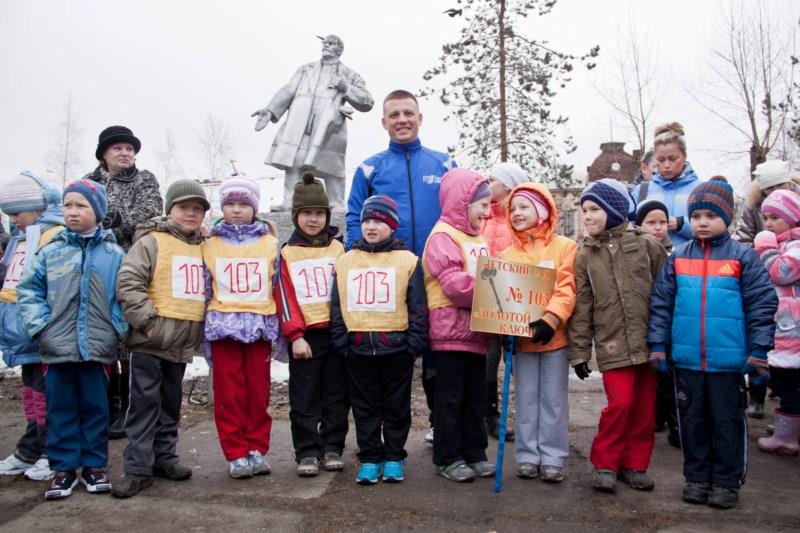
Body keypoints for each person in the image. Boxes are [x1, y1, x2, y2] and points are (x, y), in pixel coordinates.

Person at [648, 177, 778, 509]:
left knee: (726, 422)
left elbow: (762, 304)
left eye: (710, 215)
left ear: (727, 217)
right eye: (696, 217)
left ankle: (726, 481)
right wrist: (659, 346)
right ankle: (696, 477)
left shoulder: (742, 258)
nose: (702, 223)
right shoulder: (678, 257)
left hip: (728, 363)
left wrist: (759, 350)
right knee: (692, 422)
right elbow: (661, 304)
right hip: (688, 361)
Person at [346, 89, 456, 445]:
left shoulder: (444, 165)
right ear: (383, 122)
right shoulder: (369, 168)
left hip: (439, 278)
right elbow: (353, 218)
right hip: (386, 283)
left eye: (408, 113)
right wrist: (359, 261)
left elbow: (460, 212)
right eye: (394, 115)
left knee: (438, 357)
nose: (402, 120)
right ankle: (383, 440)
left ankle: (443, 426)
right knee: (391, 359)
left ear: (420, 118)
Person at [17, 180, 128, 500]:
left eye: (82, 206)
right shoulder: (50, 252)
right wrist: (41, 328)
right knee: (60, 408)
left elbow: (123, 297)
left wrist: (115, 328)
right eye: (68, 205)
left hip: (96, 347)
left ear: (98, 211)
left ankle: (95, 465)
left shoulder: (113, 254)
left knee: (96, 407)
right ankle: (63, 467)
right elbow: (29, 291)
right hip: (56, 347)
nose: (73, 212)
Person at [569, 178, 667, 494]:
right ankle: (606, 463)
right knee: (620, 404)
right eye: (584, 210)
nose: (587, 216)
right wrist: (580, 352)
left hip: (647, 341)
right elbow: (582, 306)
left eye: (594, 209)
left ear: (613, 210)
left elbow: (666, 294)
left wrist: (664, 339)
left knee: (643, 410)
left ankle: (635, 465)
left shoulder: (646, 245)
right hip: (612, 344)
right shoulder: (585, 254)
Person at [112, 180, 209, 498]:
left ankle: (165, 458)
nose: (191, 214)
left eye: (197, 209)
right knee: (144, 405)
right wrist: (147, 323)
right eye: (184, 208)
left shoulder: (202, 246)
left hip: (181, 346)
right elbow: (128, 282)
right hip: (150, 342)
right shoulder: (151, 242)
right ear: (170, 210)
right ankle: (138, 468)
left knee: (170, 403)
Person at [331, 195, 428, 485]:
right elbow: (337, 303)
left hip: (396, 349)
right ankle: (370, 457)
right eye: (367, 221)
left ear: (392, 226)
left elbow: (418, 305)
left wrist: (414, 343)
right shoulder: (346, 261)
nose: (372, 227)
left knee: (396, 407)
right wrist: (341, 340)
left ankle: (395, 456)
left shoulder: (408, 261)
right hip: (358, 348)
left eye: (379, 221)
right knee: (364, 406)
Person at [84, 124, 164, 439]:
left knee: (130, 339)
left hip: (133, 266)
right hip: (94, 269)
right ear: (104, 153)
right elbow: (79, 218)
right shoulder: (88, 183)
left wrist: (111, 226)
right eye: (118, 148)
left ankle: (129, 408)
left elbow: (148, 215)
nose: (125, 153)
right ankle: (106, 404)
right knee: (102, 338)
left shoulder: (145, 180)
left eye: (129, 149)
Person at [499, 183, 577, 482]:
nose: (517, 213)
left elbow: (566, 288)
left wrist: (550, 319)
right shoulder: (506, 254)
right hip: (521, 342)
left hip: (553, 338)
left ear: (541, 211)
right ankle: (528, 455)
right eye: (513, 208)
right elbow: (501, 296)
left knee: (553, 400)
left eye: (523, 207)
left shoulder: (564, 247)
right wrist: (503, 327)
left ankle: (553, 456)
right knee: (526, 399)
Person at [202, 176, 279, 479]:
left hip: (259, 328)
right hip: (223, 329)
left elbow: (277, 287)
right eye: (230, 204)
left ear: (254, 208)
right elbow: (205, 289)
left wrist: (280, 331)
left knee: (258, 393)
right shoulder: (211, 245)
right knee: (229, 394)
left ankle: (257, 448)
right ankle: (235, 452)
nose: (236, 210)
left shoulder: (270, 243)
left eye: (243, 205)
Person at [423, 169, 494, 482]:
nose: (487, 211)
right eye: (482, 205)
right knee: (450, 399)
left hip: (477, 332)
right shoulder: (442, 237)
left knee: (475, 397)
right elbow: (453, 286)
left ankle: (474, 452)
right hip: (449, 334)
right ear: (463, 203)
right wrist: (497, 291)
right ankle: (448, 457)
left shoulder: (477, 239)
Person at [276, 173, 349, 477]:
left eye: (319, 213)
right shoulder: (287, 254)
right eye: (306, 213)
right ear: (296, 216)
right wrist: (294, 335)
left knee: (336, 394)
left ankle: (332, 446)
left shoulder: (340, 250)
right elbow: (285, 296)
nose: (313, 219)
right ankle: (306, 450)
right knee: (304, 397)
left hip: (336, 336)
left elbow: (348, 291)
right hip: (306, 338)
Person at [252, 34, 374, 210]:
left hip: (329, 125)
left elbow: (367, 101)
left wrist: (346, 87)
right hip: (300, 122)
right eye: (325, 43)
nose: (326, 46)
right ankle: (290, 201)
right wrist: (270, 109)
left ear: (339, 49)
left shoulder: (349, 74)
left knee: (331, 166)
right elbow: (288, 90)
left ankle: (336, 202)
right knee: (293, 161)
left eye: (331, 44)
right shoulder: (305, 69)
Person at [0, 171, 64, 481]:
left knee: (48, 395)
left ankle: (52, 451)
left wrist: (44, 326)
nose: (13, 220)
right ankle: (31, 447)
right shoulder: (19, 239)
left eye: (17, 213)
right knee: (30, 394)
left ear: (38, 208)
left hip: (42, 333)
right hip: (21, 334)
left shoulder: (53, 237)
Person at [734, 160, 799, 417]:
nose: (772, 193)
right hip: (761, 275)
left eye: (778, 186)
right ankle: (757, 396)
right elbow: (743, 237)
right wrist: (759, 251)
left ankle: (787, 412)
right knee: (761, 338)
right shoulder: (753, 208)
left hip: (787, 285)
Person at [480, 162, 529, 440]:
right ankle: (490, 415)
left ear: (508, 185)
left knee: (518, 357)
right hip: (487, 292)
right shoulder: (483, 215)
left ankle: (525, 415)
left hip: (514, 293)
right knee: (488, 358)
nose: (486, 184)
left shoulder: (520, 217)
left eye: (492, 179)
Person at [753, 189, 800, 456]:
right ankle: (787, 427)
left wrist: (766, 247)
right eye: (766, 217)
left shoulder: (794, 247)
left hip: (792, 329)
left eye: (774, 218)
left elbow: (781, 272)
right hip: (781, 329)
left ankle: (787, 436)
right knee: (782, 382)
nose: (768, 223)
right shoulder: (783, 245)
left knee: (790, 383)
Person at [634, 200, 679, 448]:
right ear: (639, 225)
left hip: (671, 324)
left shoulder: (675, 254)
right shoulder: (636, 255)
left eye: (662, 222)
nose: (658, 227)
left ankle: (675, 424)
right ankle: (655, 418)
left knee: (670, 377)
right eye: (651, 222)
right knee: (651, 375)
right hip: (645, 322)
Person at [632, 123, 703, 247]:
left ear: (684, 156)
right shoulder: (642, 191)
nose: (666, 165)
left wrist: (682, 224)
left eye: (672, 158)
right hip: (651, 263)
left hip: (691, 262)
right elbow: (627, 228)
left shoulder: (701, 190)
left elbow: (715, 231)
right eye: (660, 159)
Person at [734, 160, 800, 246]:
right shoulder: (753, 206)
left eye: (780, 184)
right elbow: (742, 240)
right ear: (763, 190)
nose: (776, 190)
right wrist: (764, 253)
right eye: (770, 187)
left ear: (789, 183)